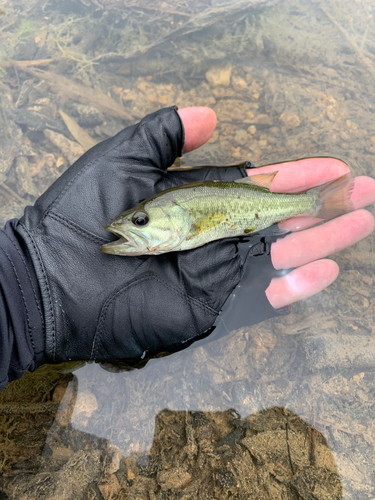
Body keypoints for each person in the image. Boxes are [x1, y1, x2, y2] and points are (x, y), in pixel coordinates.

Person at [0, 106, 374, 391]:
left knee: (307, 210)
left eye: (140, 221)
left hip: (258, 210)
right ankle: (319, 202)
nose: (130, 227)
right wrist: (28, 281)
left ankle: (318, 202)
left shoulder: (189, 224)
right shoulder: (166, 229)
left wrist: (23, 284)